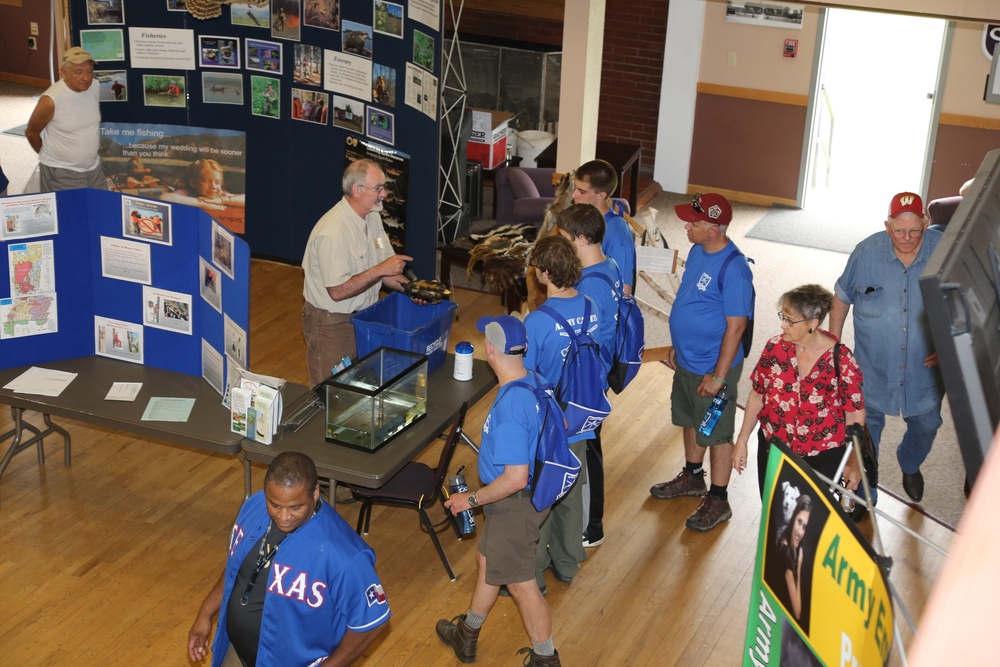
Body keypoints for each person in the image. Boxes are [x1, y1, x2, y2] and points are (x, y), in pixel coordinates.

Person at [435, 315, 563, 667]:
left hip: (514, 504)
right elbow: (559, 424)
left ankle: (545, 659)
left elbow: (515, 478)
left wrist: (470, 500)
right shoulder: (533, 380)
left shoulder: (510, 407)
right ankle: (468, 634)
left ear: (489, 350)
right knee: (488, 560)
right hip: (531, 498)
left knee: (522, 585)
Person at [187, 451, 389, 666]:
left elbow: (372, 622)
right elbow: (236, 567)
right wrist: (205, 614)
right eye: (274, 504)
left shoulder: (344, 555)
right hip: (236, 653)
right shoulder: (254, 506)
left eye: (295, 507)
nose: (283, 517)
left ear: (315, 493)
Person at [829, 192, 945, 503]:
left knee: (928, 424)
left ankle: (910, 463)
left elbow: (964, 300)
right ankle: (868, 486)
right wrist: (835, 348)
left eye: (915, 230)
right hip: (872, 367)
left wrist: (950, 345)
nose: (907, 238)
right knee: (865, 430)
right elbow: (841, 298)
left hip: (926, 369)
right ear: (887, 225)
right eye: (898, 231)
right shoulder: (865, 252)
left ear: (926, 223)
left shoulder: (944, 251)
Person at [649, 193, 753, 532]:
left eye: (693, 223)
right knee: (690, 418)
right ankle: (693, 478)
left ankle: (720, 499)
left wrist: (719, 376)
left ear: (713, 228)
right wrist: (678, 345)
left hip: (714, 367)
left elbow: (736, 327)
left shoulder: (734, 268)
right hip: (689, 360)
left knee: (717, 432)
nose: (686, 226)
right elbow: (689, 299)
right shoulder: (697, 251)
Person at [732, 285, 864, 497]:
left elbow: (855, 413)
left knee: (811, 519)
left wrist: (852, 461)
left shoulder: (841, 359)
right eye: (782, 317)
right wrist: (741, 441)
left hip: (822, 454)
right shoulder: (774, 347)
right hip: (774, 447)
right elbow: (757, 395)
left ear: (812, 323)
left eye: (790, 321)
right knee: (774, 513)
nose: (783, 325)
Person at [523, 235, 599, 589]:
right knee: (570, 490)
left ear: (544, 273)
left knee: (541, 495)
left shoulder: (537, 322)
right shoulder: (590, 306)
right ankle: (568, 563)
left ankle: (534, 572)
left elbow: (525, 374)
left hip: (548, 424)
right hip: (581, 418)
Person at [301, 158, 412, 387]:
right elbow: (338, 291)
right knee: (331, 394)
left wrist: (414, 290)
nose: (384, 194)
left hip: (365, 319)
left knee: (361, 388)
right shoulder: (333, 233)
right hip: (332, 327)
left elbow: (387, 272)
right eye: (378, 188)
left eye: (384, 187)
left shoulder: (373, 217)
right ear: (356, 190)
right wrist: (380, 270)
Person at [556, 203, 622, 549]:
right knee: (588, 446)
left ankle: (591, 525)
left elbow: (583, 337)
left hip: (587, 380)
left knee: (588, 450)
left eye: (565, 239)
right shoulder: (608, 265)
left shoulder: (590, 285)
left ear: (581, 239)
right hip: (598, 372)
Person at [25, 46, 107, 192]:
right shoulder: (50, 100)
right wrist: (52, 156)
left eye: (89, 71)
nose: (86, 77)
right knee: (69, 213)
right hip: (62, 172)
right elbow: (31, 133)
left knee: (101, 208)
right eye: (78, 72)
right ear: (64, 73)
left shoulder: (94, 86)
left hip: (93, 168)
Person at [570, 159, 636, 296]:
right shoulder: (583, 218)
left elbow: (624, 292)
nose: (573, 195)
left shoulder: (617, 235)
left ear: (601, 195)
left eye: (581, 191)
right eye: (575, 188)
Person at [161, 159, 245, 213]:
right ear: (193, 183)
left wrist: (222, 200)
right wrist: (203, 203)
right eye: (206, 181)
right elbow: (164, 198)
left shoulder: (219, 195)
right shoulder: (186, 192)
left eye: (218, 182)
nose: (214, 186)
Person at [777, 494, 812, 620]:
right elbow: (797, 613)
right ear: (793, 517)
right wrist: (799, 567)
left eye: (804, 527)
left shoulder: (783, 538)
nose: (800, 532)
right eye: (799, 522)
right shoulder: (786, 557)